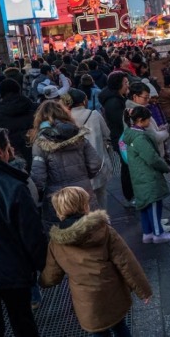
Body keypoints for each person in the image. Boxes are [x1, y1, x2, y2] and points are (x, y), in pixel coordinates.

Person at [40, 187, 152, 337]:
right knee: (120, 327)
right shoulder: (103, 230)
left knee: (99, 332)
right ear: (84, 206)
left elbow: (52, 274)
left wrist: (41, 282)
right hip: (112, 293)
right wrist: (143, 290)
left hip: (86, 302)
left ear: (59, 210)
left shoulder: (56, 242)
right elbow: (126, 261)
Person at [0, 126, 47, 337]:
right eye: (8, 146)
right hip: (12, 271)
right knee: (23, 322)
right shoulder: (12, 185)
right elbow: (32, 235)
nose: (12, 149)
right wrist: (44, 267)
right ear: (0, 152)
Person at [30, 100, 102, 231]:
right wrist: (84, 176)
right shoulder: (79, 136)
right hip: (83, 192)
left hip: (58, 199)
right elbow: (95, 163)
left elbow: (38, 178)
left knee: (63, 237)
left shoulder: (40, 143)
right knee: (91, 232)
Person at [122, 106, 170, 244]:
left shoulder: (131, 133)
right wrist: (164, 167)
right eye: (148, 120)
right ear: (141, 120)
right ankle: (158, 233)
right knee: (153, 203)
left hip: (139, 175)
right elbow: (151, 157)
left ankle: (148, 232)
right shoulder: (140, 137)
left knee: (144, 205)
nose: (150, 122)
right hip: (147, 175)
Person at [68, 89, 113, 210]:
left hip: (78, 165)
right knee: (101, 194)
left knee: (83, 199)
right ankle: (103, 220)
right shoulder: (94, 115)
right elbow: (107, 134)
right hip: (98, 162)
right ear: (84, 101)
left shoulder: (66, 118)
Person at [99, 72, 133, 202]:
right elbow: (120, 122)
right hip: (121, 139)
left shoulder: (117, 98)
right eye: (125, 83)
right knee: (127, 167)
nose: (127, 85)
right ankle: (129, 196)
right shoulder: (114, 102)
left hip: (121, 137)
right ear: (118, 84)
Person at [0, 78, 36, 170]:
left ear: (1, 94)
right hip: (38, 159)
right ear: (19, 91)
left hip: (12, 165)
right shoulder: (36, 110)